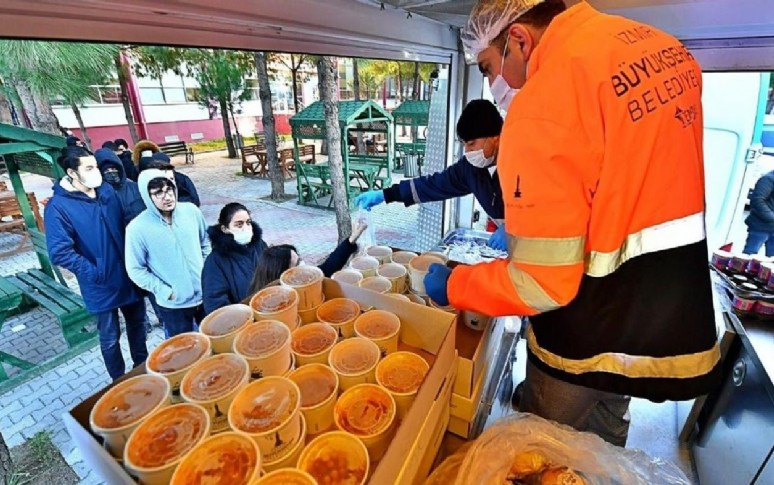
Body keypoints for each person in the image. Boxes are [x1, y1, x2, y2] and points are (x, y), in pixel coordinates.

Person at [424, 0, 721, 447]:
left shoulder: (544, 103)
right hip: (655, 319)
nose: (493, 84)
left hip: (584, 329)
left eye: (487, 68)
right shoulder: (663, 50)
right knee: (606, 433)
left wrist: (455, 287)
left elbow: (541, 284)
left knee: (542, 447)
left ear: (519, 39)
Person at [45, 147, 148, 380]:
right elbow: (60, 252)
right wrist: (96, 272)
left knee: (137, 326)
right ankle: (119, 381)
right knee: (110, 336)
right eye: (89, 168)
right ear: (72, 173)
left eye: (95, 167)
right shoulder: (59, 207)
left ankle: (142, 368)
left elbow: (124, 224)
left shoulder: (107, 192)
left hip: (127, 275)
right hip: (100, 284)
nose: (96, 173)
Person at [355, 99, 508, 250]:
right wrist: (385, 194)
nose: (467, 151)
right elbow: (433, 185)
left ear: (495, 137)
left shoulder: (520, 164)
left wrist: (512, 229)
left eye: (472, 143)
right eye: (464, 144)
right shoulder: (470, 169)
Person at [125, 169, 210, 338]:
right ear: (147, 196)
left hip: (205, 294)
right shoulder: (137, 228)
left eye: (169, 189)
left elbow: (205, 243)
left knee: (214, 336)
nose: (167, 197)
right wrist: (165, 291)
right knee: (185, 349)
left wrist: (207, 274)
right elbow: (135, 269)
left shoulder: (191, 212)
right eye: (158, 193)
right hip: (174, 305)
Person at [247, 223, 368, 297]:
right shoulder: (269, 304)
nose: (303, 265)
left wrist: (350, 240)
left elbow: (327, 268)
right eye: (297, 264)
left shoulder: (304, 280)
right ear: (281, 276)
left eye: (300, 260)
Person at [202, 203, 268, 315]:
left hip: (268, 310)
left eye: (248, 223)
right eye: (239, 225)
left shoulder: (259, 245)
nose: (246, 228)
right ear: (225, 229)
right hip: (243, 322)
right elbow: (215, 303)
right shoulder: (215, 261)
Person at [94, 148, 146, 223]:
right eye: (106, 170)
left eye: (113, 169)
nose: (111, 172)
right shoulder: (96, 195)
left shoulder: (135, 187)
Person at [743, 170, 774, 256]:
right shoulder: (768, 179)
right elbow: (757, 200)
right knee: (749, 257)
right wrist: (772, 217)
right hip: (760, 227)